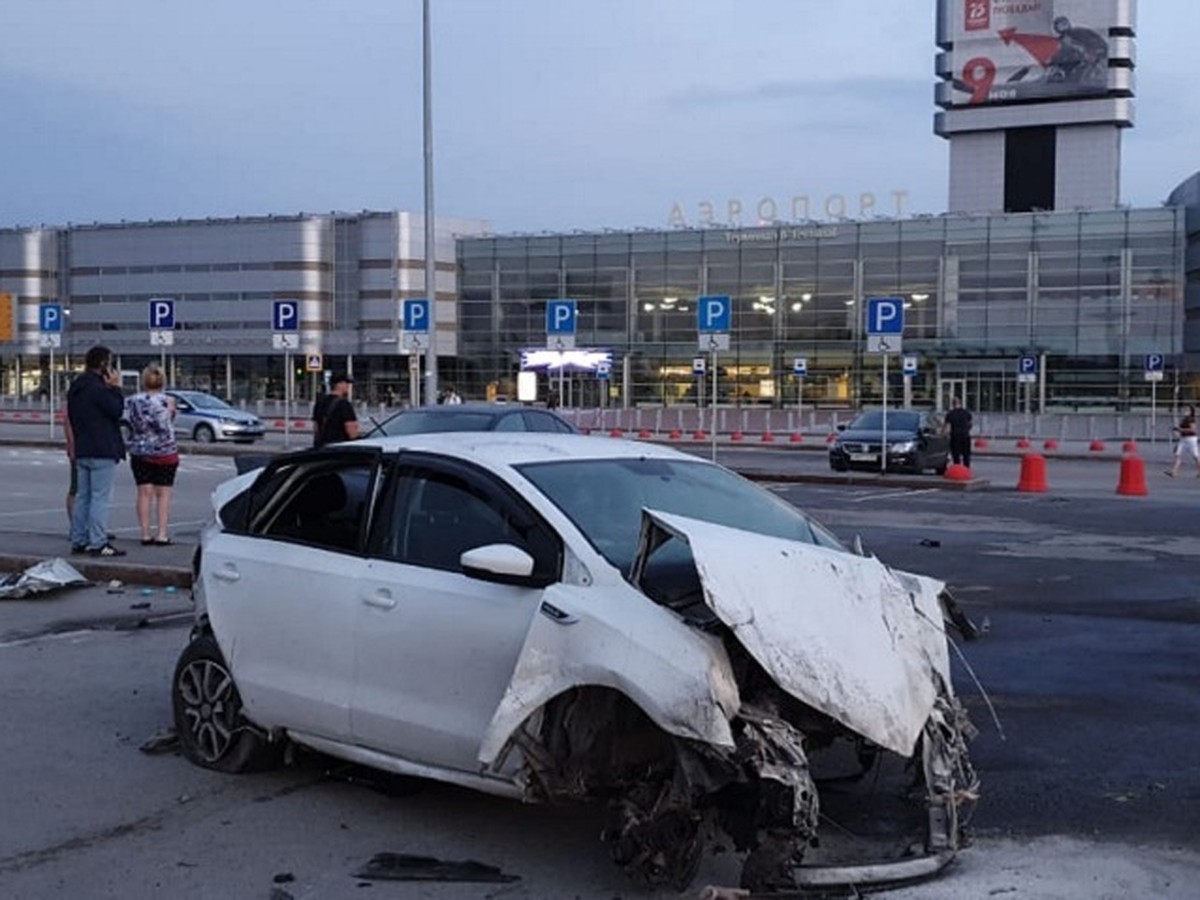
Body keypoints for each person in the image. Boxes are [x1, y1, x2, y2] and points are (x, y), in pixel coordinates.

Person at [67, 345, 127, 557]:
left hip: (83, 448)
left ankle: (78, 539)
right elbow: (116, 411)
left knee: (83, 496)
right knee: (100, 498)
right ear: (104, 365)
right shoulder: (100, 389)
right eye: (110, 363)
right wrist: (115, 388)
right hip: (103, 448)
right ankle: (98, 542)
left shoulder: (76, 386)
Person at [125, 364, 179, 544]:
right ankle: (162, 534)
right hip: (165, 451)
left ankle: (145, 534)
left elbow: (129, 422)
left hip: (140, 451)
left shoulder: (132, 400)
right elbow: (166, 424)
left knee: (143, 493)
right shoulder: (168, 400)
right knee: (163, 494)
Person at [311, 373, 359, 448]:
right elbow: (351, 429)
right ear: (339, 385)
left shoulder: (320, 402)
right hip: (340, 448)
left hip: (323, 447)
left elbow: (316, 428)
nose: (348, 386)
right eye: (346, 383)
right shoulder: (344, 404)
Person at [1165, 404, 1200, 478]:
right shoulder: (1184, 419)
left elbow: (1193, 429)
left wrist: (1181, 429)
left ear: (1191, 411)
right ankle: (1174, 472)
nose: (1185, 411)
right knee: (1177, 454)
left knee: (1195, 456)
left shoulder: (1191, 419)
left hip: (1191, 439)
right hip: (1183, 439)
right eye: (1185, 409)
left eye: (1187, 410)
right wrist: (1177, 430)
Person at [944, 396, 973, 468]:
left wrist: (945, 434)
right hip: (965, 435)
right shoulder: (966, 412)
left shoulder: (950, 414)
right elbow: (970, 423)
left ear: (952, 404)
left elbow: (947, 427)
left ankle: (957, 469)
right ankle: (966, 469)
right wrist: (967, 429)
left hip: (955, 436)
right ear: (960, 403)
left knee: (956, 454)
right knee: (966, 454)